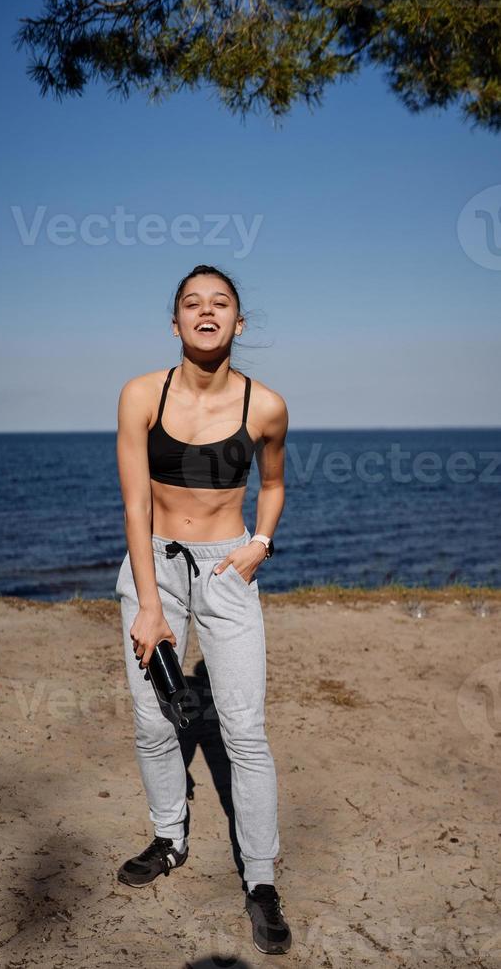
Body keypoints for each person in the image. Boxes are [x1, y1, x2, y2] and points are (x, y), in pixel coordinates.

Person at [113, 264, 292, 955]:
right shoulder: (140, 395)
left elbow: (272, 482)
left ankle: (260, 880)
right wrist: (148, 605)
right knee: (154, 721)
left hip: (226, 568)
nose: (206, 311)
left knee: (244, 732)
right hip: (151, 561)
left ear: (237, 323)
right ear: (176, 323)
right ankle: (169, 837)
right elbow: (134, 502)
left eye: (220, 303)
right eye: (192, 303)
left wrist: (259, 546)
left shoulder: (265, 405)